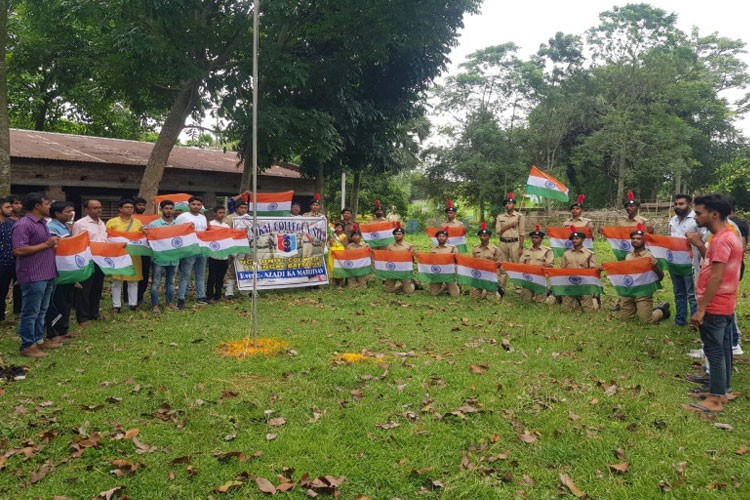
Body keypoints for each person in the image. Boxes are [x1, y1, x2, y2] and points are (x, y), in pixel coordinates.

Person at [682, 194, 742, 414]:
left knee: (715, 351)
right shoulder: (726, 237)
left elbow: (716, 277)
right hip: (725, 302)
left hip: (715, 305)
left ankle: (715, 399)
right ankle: (722, 389)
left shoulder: (722, 239)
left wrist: (701, 308)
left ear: (714, 214)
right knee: (724, 348)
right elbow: (716, 266)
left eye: (699, 213)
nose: (695, 217)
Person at [11, 193, 60, 358]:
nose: (49, 207)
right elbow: (18, 249)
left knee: (42, 310)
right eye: (47, 204)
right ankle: (27, 345)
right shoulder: (23, 225)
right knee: (31, 311)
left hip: (47, 272)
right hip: (33, 275)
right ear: (38, 206)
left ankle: (39, 339)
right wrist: (47, 244)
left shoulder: (43, 224)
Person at [618, 226, 670, 323]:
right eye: (633, 238)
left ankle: (661, 310)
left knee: (646, 320)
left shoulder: (650, 256)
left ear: (644, 241)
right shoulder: (628, 256)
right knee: (624, 319)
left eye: (638, 238)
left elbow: (660, 277)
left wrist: (655, 267)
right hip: (629, 292)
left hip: (643, 292)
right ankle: (639, 308)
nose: (635, 240)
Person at [668, 194, 701, 327]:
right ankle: (680, 320)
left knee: (692, 294)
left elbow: (702, 239)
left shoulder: (696, 220)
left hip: (690, 263)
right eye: (675, 204)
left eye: (681, 204)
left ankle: (695, 322)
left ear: (689, 205)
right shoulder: (673, 220)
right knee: (678, 293)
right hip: (674, 262)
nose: (677, 206)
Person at [45, 201, 76, 341]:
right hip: (57, 269)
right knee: (57, 301)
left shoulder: (65, 227)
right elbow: (54, 246)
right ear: (57, 213)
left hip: (67, 268)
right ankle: (53, 332)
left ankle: (63, 329)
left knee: (68, 299)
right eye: (67, 212)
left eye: (72, 211)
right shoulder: (51, 227)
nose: (71, 214)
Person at [72, 199, 107, 326]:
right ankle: (83, 317)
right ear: (86, 209)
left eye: (100, 207)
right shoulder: (81, 224)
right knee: (84, 289)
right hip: (87, 260)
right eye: (95, 208)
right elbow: (76, 243)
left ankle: (94, 313)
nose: (99, 210)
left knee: (97, 288)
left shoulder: (102, 223)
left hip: (100, 260)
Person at [106, 199, 144, 312]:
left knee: (133, 280)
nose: (129, 209)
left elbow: (141, 237)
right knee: (117, 281)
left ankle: (133, 304)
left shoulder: (138, 223)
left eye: (131, 207)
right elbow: (106, 237)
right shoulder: (112, 222)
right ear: (120, 209)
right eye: (126, 207)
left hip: (133, 255)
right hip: (118, 255)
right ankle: (116, 306)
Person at [175, 196, 208, 309]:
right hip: (189, 250)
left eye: (198, 205)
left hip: (202, 249)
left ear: (201, 206)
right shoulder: (182, 217)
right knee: (185, 275)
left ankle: (201, 297)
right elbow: (176, 231)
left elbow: (205, 231)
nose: (196, 206)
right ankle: (181, 298)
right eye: (194, 204)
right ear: (188, 205)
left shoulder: (203, 218)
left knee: (200, 275)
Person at [146, 200, 178, 312]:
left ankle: (170, 303)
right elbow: (149, 240)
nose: (169, 210)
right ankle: (155, 305)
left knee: (171, 282)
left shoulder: (178, 225)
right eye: (166, 208)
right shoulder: (154, 224)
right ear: (161, 209)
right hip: (159, 258)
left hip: (174, 258)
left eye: (171, 208)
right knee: (156, 282)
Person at [560, 226, 597, 312]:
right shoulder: (566, 254)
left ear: (583, 240)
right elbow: (562, 269)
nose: (574, 240)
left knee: (589, 310)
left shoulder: (589, 254)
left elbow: (592, 270)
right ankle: (575, 302)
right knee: (565, 310)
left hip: (584, 283)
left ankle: (595, 301)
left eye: (577, 238)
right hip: (570, 283)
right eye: (573, 239)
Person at [520, 225, 555, 304]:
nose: (534, 239)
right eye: (533, 237)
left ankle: (552, 296)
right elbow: (521, 264)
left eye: (536, 238)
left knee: (541, 303)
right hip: (528, 278)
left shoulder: (547, 251)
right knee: (526, 301)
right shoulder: (526, 251)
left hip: (541, 279)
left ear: (541, 239)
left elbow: (549, 265)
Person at [495, 192, 524, 287]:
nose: (507, 205)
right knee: (502, 265)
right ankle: (501, 286)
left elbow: (522, 233)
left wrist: (520, 247)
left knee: (516, 265)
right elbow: (498, 231)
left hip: (515, 243)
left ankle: (518, 287)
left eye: (510, 203)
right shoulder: (500, 217)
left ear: (514, 205)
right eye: (506, 204)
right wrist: (509, 225)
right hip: (503, 243)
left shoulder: (519, 216)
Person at [224, 200, 250, 299]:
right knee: (232, 269)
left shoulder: (250, 219)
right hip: (234, 247)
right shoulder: (229, 219)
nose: (243, 210)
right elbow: (225, 233)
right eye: (241, 208)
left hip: (247, 248)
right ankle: (229, 291)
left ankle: (245, 290)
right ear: (236, 208)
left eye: (245, 208)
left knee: (246, 268)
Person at [470, 222, 501, 300]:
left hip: (490, 275)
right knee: (475, 298)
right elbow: (472, 262)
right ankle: (483, 291)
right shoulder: (475, 248)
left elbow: (499, 264)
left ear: (489, 236)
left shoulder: (495, 249)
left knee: (491, 299)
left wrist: (492, 262)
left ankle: (496, 292)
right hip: (478, 275)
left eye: (485, 235)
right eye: (480, 235)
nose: (482, 237)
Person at [207, 206, 230, 303]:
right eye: (220, 212)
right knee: (212, 276)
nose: (222, 214)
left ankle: (218, 295)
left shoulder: (226, 226)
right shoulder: (210, 225)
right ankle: (209, 296)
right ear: (214, 213)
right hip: (213, 254)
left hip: (224, 255)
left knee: (221, 277)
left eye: (223, 212)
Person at [383, 223, 415, 294]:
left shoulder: (409, 246)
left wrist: (412, 254)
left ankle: (412, 284)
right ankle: (402, 286)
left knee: (409, 291)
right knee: (387, 290)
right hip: (393, 270)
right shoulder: (389, 246)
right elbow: (386, 258)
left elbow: (412, 260)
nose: (397, 236)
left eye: (399, 234)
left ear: (403, 235)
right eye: (396, 234)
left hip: (404, 271)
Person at [429, 227, 460, 296]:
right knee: (433, 293)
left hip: (449, 273)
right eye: (439, 236)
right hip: (437, 273)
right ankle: (444, 286)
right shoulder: (433, 249)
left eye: (443, 236)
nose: (441, 238)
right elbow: (430, 261)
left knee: (455, 294)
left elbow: (457, 260)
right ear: (437, 238)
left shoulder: (452, 248)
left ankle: (455, 284)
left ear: (446, 238)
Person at [132, 197, 151, 305]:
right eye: (139, 205)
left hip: (146, 250)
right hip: (133, 251)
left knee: (145, 274)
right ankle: (127, 298)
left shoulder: (149, 219)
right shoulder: (130, 219)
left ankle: (140, 297)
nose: (141, 207)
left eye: (143, 205)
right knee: (131, 274)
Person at [0, 197, 16, 322]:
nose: (11, 209)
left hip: (9, 262)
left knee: (4, 289)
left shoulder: (10, 224)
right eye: (7, 207)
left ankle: (1, 315)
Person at [8, 194, 23, 315]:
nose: (19, 206)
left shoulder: (22, 220)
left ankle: (18, 309)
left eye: (20, 203)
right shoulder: (6, 221)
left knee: (19, 283)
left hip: (21, 257)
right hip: (8, 255)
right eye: (16, 203)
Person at [327, 222, 348, 287]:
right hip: (332, 252)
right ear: (335, 228)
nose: (338, 228)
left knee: (340, 267)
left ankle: (341, 283)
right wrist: (330, 242)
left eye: (340, 227)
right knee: (332, 266)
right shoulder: (331, 235)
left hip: (341, 253)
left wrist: (340, 243)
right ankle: (333, 282)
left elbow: (345, 245)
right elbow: (328, 244)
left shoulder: (344, 236)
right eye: (337, 227)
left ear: (342, 229)